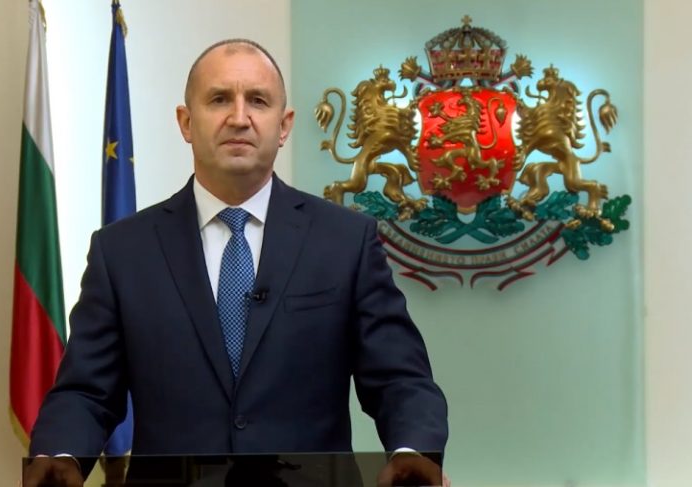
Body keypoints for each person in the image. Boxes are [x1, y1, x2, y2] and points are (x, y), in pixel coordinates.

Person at [23, 39, 448, 487]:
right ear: (186, 122)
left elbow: (400, 379)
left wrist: (413, 452)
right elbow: (86, 392)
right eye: (220, 99)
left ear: (284, 125)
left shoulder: (346, 242)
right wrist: (60, 457)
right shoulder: (122, 251)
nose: (240, 118)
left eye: (258, 101)